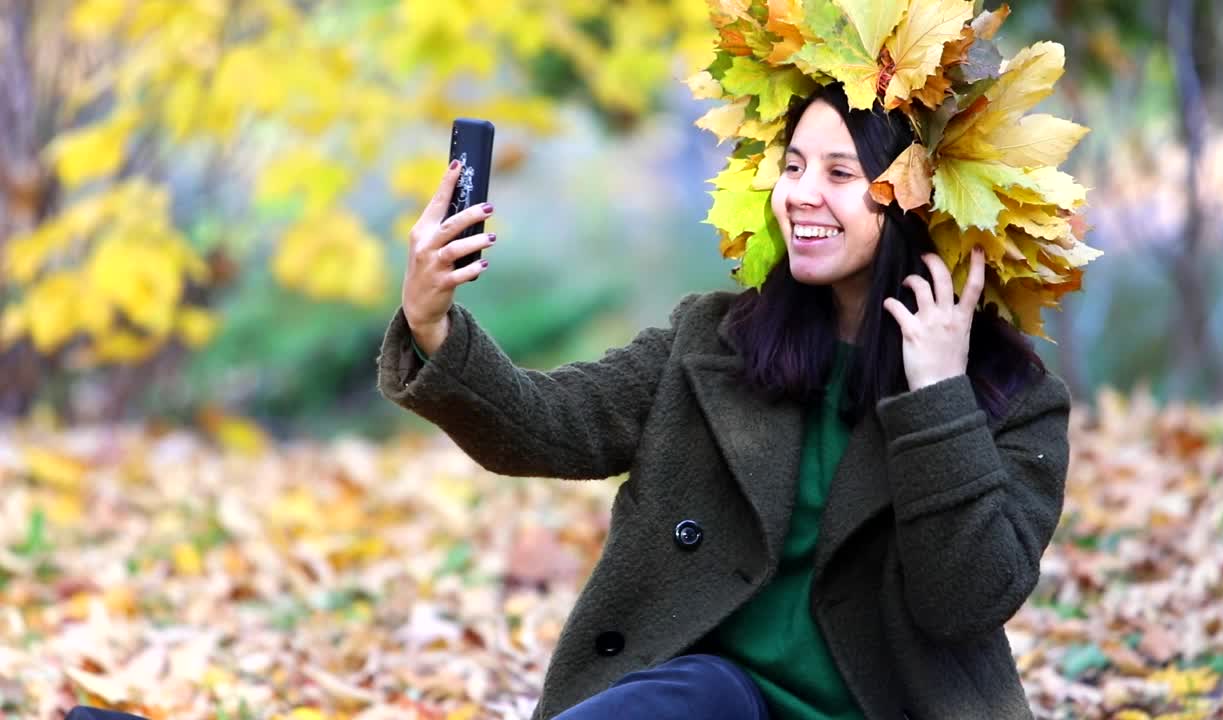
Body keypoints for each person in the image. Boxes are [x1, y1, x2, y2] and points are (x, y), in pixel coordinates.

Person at [379, 4, 1096, 719]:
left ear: (922, 203)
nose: (800, 194)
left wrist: (937, 396)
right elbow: (549, 425)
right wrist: (429, 322)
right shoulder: (713, 341)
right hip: (715, 702)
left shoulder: (1012, 398)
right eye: (793, 165)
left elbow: (965, 603)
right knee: (696, 691)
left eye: (841, 172)